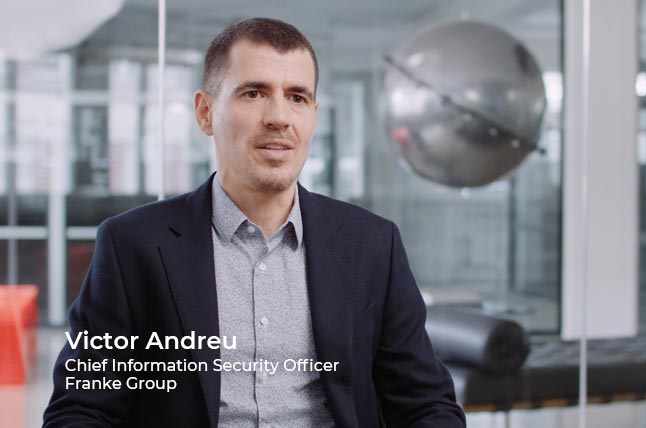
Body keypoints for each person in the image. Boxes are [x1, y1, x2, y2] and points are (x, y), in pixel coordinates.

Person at [43, 17, 466, 428]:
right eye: (254, 93)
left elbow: (424, 404)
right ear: (205, 112)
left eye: (297, 97)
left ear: (313, 117)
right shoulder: (131, 245)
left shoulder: (374, 245)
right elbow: (81, 410)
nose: (279, 117)